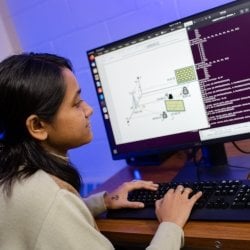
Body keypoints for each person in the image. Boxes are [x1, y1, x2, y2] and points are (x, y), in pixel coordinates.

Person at [0, 52, 202, 250]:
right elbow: (50, 212)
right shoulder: (50, 200)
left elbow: (41, 221)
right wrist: (171, 225)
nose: (89, 110)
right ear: (37, 126)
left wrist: (102, 201)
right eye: (76, 103)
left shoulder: (14, 174)